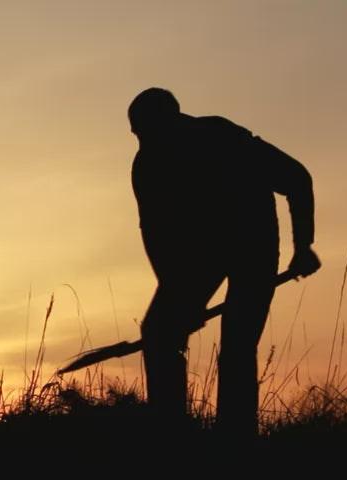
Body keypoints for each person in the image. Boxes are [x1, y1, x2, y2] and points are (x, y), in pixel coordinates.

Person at [128, 87, 321, 439]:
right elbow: (154, 233)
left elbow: (295, 177)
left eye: (148, 131)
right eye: (138, 134)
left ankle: (235, 441)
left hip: (254, 246)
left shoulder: (226, 139)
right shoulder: (146, 166)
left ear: (173, 121)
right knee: (159, 333)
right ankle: (169, 432)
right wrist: (176, 292)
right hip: (200, 254)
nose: (143, 140)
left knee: (237, 346)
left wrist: (303, 246)